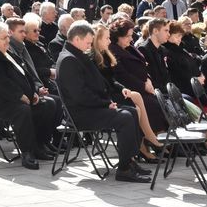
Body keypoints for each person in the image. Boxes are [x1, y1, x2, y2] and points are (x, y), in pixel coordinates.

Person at [55, 21, 151, 183]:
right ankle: (124, 169)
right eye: (88, 42)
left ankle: (129, 160)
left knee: (132, 111)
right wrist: (105, 104)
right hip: (81, 114)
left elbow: (99, 83)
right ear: (77, 39)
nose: (89, 45)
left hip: (90, 107)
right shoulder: (68, 60)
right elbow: (80, 95)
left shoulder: (77, 54)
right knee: (125, 117)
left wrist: (109, 100)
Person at [0, 22, 57, 169]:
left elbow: (23, 74)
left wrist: (33, 92)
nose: (8, 40)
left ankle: (39, 144)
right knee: (22, 110)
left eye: (8, 37)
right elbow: (0, 84)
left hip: (11, 97)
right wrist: (20, 96)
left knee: (48, 104)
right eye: (4, 38)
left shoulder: (5, 52)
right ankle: (27, 152)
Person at [107, 18, 167, 134]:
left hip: (145, 87)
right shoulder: (113, 52)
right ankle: (155, 137)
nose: (131, 38)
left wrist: (148, 80)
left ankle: (165, 136)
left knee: (163, 101)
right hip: (131, 90)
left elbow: (143, 65)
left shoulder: (129, 47)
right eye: (128, 36)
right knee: (153, 104)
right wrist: (143, 86)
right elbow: (122, 75)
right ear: (118, 36)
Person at [23, 15, 56, 91]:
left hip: (52, 79)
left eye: (38, 30)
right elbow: (32, 69)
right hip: (42, 82)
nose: (38, 33)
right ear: (26, 33)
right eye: (35, 31)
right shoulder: (26, 49)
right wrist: (50, 72)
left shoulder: (40, 43)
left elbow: (50, 60)